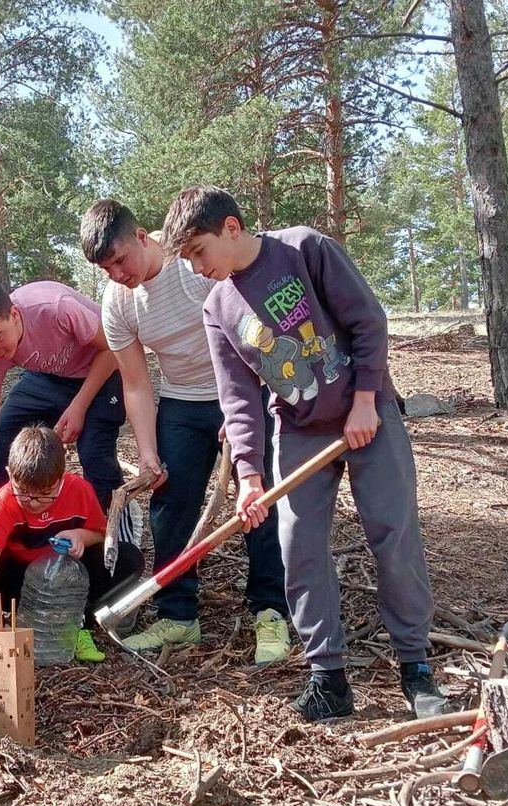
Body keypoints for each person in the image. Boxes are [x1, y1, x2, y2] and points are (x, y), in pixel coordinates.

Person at [161, 185, 454, 721]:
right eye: (186, 259)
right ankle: (328, 678)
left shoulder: (304, 249)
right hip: (298, 428)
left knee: (392, 533)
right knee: (298, 545)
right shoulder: (218, 309)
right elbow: (238, 397)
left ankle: (416, 668)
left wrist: (366, 400)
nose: (195, 267)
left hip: (367, 414)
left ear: (231, 226)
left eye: (198, 252)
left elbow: (368, 321)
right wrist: (250, 474)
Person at [81, 199, 292, 666]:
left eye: (120, 260)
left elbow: (252, 332)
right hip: (181, 401)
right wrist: (149, 453)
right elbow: (136, 384)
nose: (117, 274)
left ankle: (270, 610)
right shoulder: (117, 302)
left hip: (244, 389)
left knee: (258, 500)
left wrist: (238, 415)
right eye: (105, 268)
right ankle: (178, 615)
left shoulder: (192, 262)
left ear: (143, 237)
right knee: (170, 506)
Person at [0, 426, 143, 681]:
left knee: (128, 558)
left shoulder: (79, 490)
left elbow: (102, 533)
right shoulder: (4, 501)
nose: (34, 503)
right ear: (10, 475)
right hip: (18, 577)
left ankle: (80, 626)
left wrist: (81, 536)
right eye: (24, 493)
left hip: (63, 581)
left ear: (61, 478)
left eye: (46, 494)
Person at [0, 278, 125, 535]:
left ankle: (110, 532)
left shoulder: (55, 308)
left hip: (100, 370)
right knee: (2, 438)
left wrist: (78, 406)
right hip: (45, 376)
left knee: (94, 453)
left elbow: (112, 347)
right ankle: (12, 523)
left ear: (13, 314)